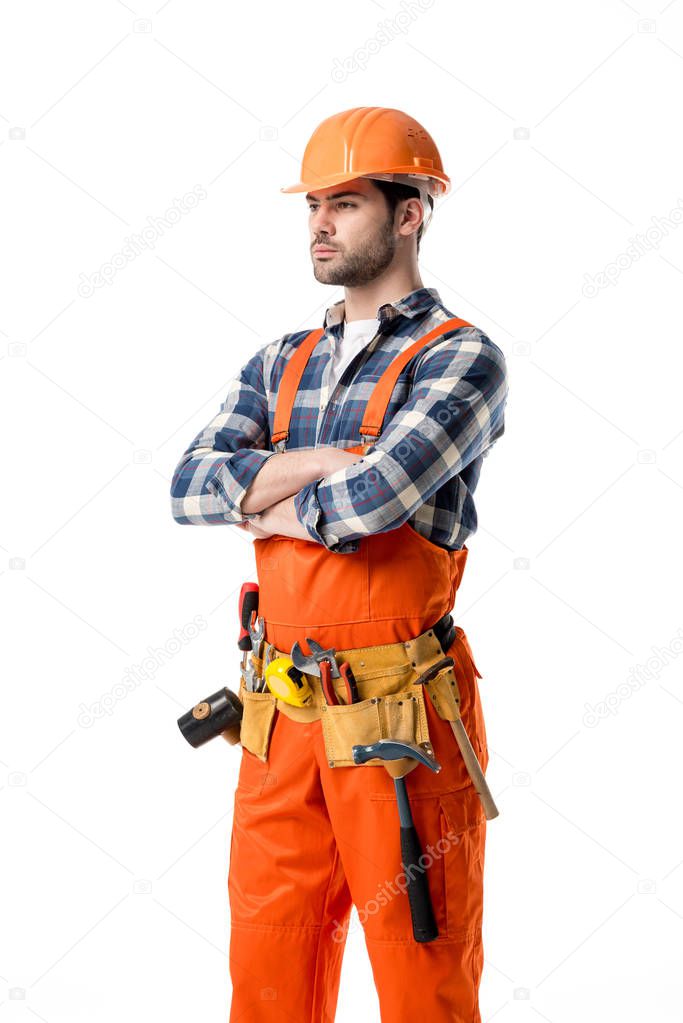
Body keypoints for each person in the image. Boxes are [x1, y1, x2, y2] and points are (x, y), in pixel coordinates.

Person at [170, 106, 509, 1023]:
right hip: (279, 721)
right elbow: (188, 486)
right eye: (314, 203)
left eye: (347, 202)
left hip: (400, 722)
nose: (319, 223)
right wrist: (325, 464)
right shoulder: (279, 360)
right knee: (269, 970)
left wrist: (266, 497)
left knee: (421, 973)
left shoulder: (461, 359)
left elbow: (374, 505)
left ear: (411, 213)